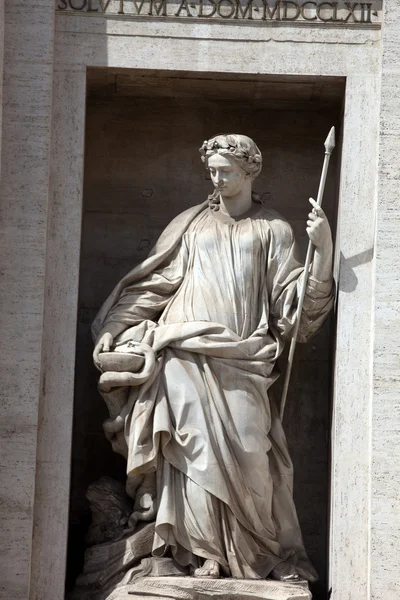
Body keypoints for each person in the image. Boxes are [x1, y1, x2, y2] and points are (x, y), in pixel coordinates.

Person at [92, 134, 334, 582]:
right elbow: (155, 285)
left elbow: (296, 309)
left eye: (226, 171)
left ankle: (257, 556)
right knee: (191, 451)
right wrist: (113, 325)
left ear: (249, 172)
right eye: (212, 172)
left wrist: (321, 252)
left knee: (252, 458)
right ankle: (200, 554)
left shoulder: (274, 229)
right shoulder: (191, 225)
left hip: (243, 357)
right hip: (183, 352)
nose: (217, 179)